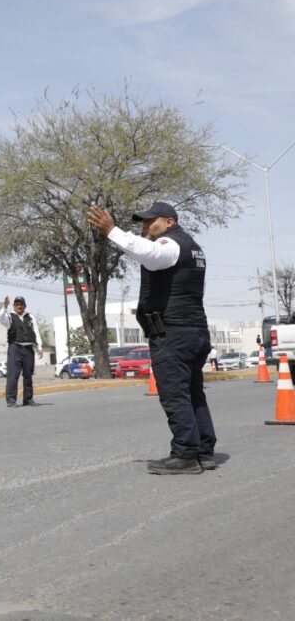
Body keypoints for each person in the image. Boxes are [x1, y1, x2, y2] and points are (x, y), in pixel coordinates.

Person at [87, 201, 216, 475]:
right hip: (194, 329)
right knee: (193, 393)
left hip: (174, 333)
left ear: (170, 221)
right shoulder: (194, 248)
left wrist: (112, 231)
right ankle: (204, 451)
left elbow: (150, 253)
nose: (146, 226)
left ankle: (185, 455)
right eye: (143, 222)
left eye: (151, 221)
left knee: (174, 394)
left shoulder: (171, 244)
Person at [0, 295, 43, 407]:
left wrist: (39, 347)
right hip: (15, 348)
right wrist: (4, 306)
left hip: (28, 348)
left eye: (21, 304)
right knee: (13, 375)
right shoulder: (9, 317)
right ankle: (11, 401)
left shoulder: (30, 317)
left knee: (28, 375)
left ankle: (28, 399)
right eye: (17, 304)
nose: (19, 306)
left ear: (24, 306)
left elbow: (35, 331)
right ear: (14, 306)